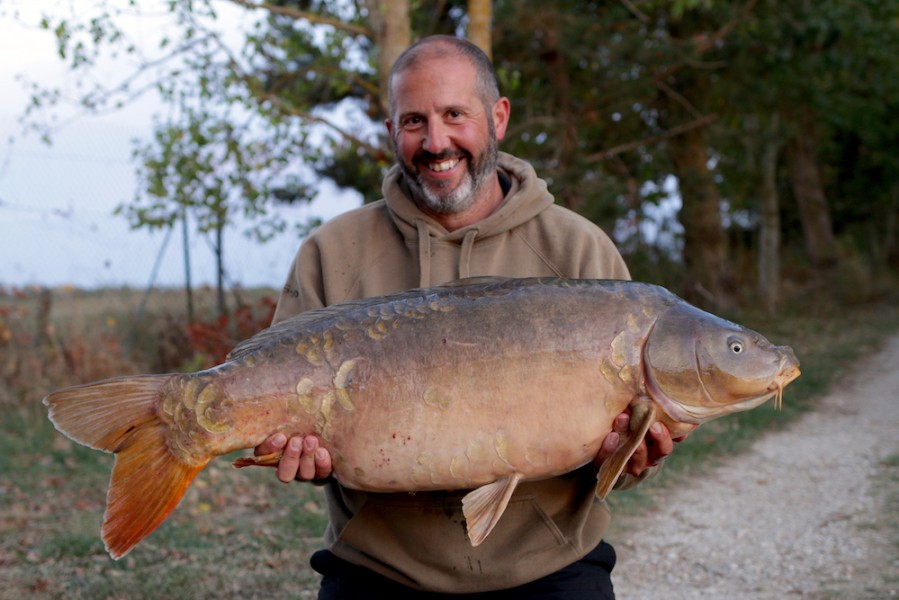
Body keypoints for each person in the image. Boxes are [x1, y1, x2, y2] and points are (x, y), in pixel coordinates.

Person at [255, 35, 680, 599]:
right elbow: (290, 425)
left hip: (548, 568)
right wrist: (310, 457)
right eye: (413, 121)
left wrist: (632, 459)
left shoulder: (579, 250)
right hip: (377, 570)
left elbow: (624, 462)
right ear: (391, 132)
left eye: (455, 114)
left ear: (498, 117)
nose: (436, 142)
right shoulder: (333, 253)